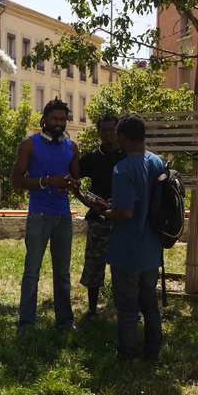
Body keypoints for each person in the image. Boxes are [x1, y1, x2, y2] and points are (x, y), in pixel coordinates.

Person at [12, 97, 81, 336]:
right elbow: (16, 180)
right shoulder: (29, 144)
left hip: (63, 215)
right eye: (54, 118)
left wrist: (72, 184)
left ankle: (65, 320)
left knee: (63, 272)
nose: (59, 123)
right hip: (39, 215)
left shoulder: (71, 147)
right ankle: (26, 323)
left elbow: (76, 180)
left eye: (63, 119)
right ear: (45, 120)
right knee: (32, 271)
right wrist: (47, 181)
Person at [101, 113, 164, 361]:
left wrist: (107, 212)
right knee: (150, 305)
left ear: (124, 137)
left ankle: (127, 356)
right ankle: (153, 353)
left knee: (127, 309)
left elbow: (126, 212)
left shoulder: (123, 168)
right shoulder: (158, 163)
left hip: (127, 251)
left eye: (117, 134)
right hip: (151, 249)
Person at [75, 115, 125, 319]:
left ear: (118, 131)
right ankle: (92, 310)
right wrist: (85, 201)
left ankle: (124, 307)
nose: (108, 133)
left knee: (124, 268)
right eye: (104, 130)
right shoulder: (93, 157)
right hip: (98, 221)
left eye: (111, 129)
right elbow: (73, 178)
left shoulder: (128, 155)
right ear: (99, 133)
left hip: (124, 220)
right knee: (94, 266)